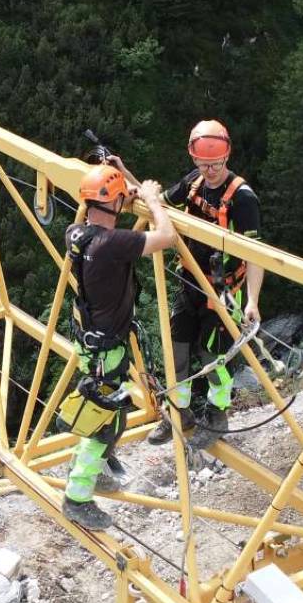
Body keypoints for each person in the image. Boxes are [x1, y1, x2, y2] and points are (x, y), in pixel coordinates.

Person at [110, 120, 262, 448]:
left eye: (215, 164)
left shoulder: (243, 198)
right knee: (176, 350)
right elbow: (157, 204)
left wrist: (252, 300)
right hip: (190, 281)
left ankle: (216, 415)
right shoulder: (194, 182)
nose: (209, 170)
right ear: (194, 159)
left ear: (227, 157)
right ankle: (178, 411)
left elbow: (256, 254)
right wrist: (126, 175)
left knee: (214, 357)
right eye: (202, 163)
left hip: (223, 293)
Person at [61, 164, 176, 531]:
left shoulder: (76, 233)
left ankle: (94, 472)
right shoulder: (113, 244)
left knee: (110, 414)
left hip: (91, 344)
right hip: (106, 349)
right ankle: (77, 497)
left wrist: (121, 189)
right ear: (115, 201)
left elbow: (105, 212)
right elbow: (166, 237)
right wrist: (153, 200)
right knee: (105, 425)